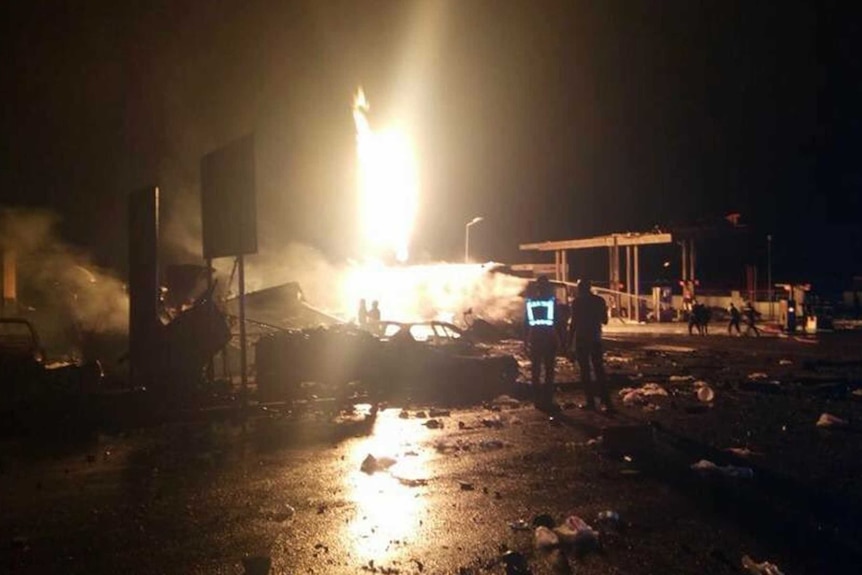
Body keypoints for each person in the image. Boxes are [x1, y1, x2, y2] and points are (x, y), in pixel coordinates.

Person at [569, 279, 612, 412]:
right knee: (599, 369)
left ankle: (590, 402)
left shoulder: (576, 302)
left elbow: (573, 324)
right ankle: (606, 401)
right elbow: (605, 321)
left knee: (585, 371)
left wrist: (569, 342)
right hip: (595, 338)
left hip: (582, 340)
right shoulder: (599, 301)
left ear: (579, 288)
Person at [524, 276, 560, 409]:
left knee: (536, 370)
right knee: (549, 370)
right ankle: (548, 399)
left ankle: (537, 400)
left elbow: (526, 323)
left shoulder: (530, 301)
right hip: (549, 338)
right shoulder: (552, 301)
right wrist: (561, 341)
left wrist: (525, 340)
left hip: (535, 338)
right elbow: (558, 322)